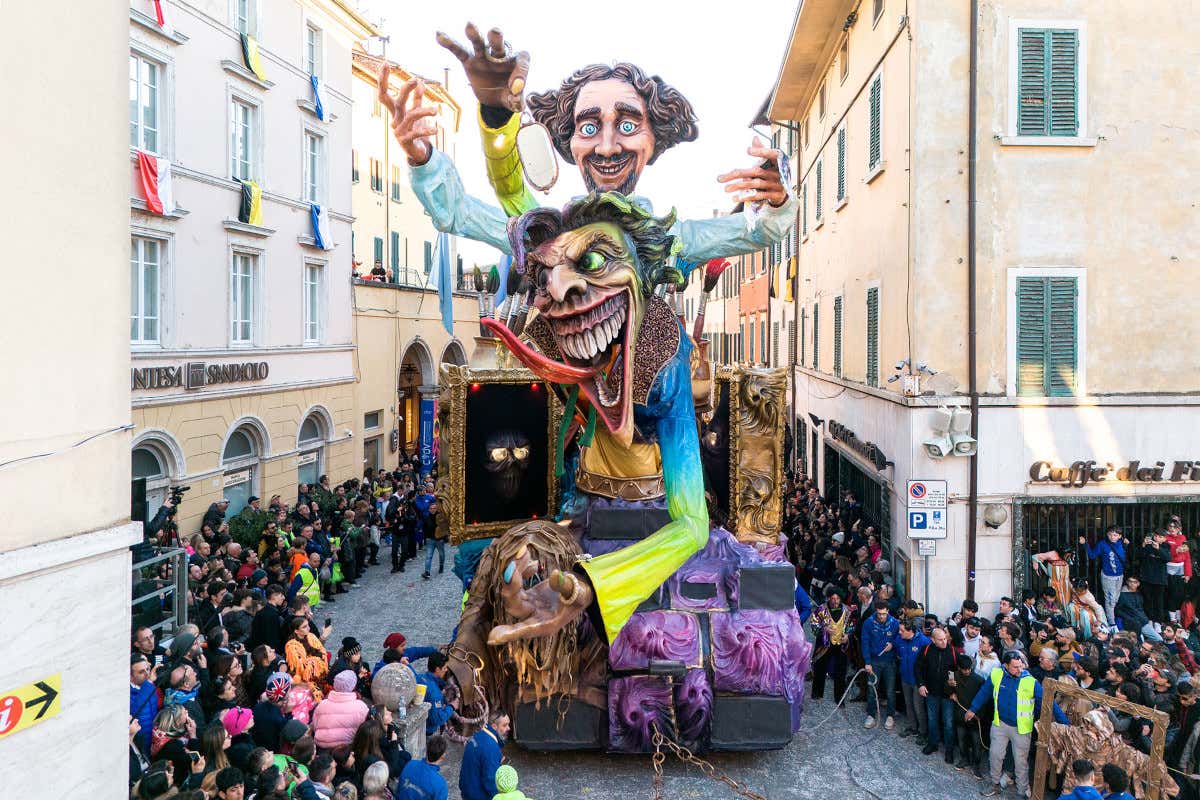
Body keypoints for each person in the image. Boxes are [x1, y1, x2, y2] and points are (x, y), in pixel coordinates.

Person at [967, 651, 1069, 798]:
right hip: (999, 724)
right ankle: (994, 784)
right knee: (995, 756)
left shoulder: (1031, 682)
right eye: (1015, 667)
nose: (1019, 670)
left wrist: (1065, 723)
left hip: (1021, 730)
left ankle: (1022, 792)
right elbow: (985, 691)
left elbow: (1049, 703)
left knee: (1021, 763)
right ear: (1006, 666)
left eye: (1021, 666)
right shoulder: (996, 674)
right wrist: (973, 708)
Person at [917, 626, 958, 763]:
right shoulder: (926, 650)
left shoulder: (952, 652)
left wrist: (955, 689)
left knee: (948, 723)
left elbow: (958, 672)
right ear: (933, 640)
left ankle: (949, 750)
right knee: (932, 720)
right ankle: (933, 744)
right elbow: (918, 668)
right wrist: (921, 684)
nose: (944, 642)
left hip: (947, 695)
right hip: (931, 692)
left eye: (945, 639)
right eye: (940, 640)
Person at [860, 598, 899, 730]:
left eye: (884, 613)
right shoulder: (868, 623)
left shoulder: (895, 623)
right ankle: (871, 715)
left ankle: (890, 715)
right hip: (874, 661)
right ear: (876, 611)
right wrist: (867, 662)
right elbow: (864, 643)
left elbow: (899, 638)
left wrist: (893, 644)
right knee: (871, 689)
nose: (881, 616)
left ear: (887, 611)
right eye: (879, 613)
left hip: (890, 662)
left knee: (890, 690)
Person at [810, 587, 854, 703]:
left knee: (841, 672)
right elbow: (814, 624)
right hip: (825, 644)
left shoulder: (847, 611)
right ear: (829, 598)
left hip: (841, 646)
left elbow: (851, 626)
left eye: (837, 598)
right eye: (833, 598)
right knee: (820, 668)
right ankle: (817, 693)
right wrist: (824, 629)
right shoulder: (821, 609)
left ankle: (840, 698)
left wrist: (847, 636)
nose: (835, 601)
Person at [312, 671, 370, 751]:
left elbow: (315, 726)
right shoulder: (361, 707)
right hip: (346, 749)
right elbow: (364, 732)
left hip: (322, 746)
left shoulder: (322, 704)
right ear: (353, 686)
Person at [1083, 527, 1129, 626]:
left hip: (1119, 575)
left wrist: (1127, 545)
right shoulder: (1103, 544)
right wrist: (1085, 544)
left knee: (1115, 599)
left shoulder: (1122, 544)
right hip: (1108, 576)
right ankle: (1111, 622)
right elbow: (1092, 555)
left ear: (1120, 536)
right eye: (1110, 534)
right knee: (1110, 600)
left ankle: (1111, 617)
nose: (1112, 537)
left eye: (1115, 535)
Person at [460, 711, 509, 800]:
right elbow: (491, 780)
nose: (508, 728)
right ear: (494, 726)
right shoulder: (491, 747)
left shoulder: (478, 735)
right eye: (505, 725)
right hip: (478, 795)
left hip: (467, 790)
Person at [897, 619, 931, 743]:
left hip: (918, 680)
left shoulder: (923, 641)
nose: (899, 633)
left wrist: (924, 681)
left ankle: (923, 732)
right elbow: (895, 647)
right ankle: (913, 727)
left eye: (902, 630)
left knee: (919, 707)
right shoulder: (900, 639)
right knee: (908, 704)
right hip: (905, 677)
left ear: (910, 631)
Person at [397, 733, 449, 800]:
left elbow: (399, 789)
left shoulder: (410, 764)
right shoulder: (441, 784)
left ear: (427, 749)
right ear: (443, 756)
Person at [417, 652, 455, 736]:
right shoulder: (436, 694)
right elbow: (438, 719)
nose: (446, 670)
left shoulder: (419, 677)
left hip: (419, 725)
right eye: (444, 668)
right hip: (426, 732)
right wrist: (452, 706)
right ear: (437, 669)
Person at [285, 616, 330, 685]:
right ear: (296, 631)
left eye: (308, 625)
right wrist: (315, 661)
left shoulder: (311, 636)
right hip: (304, 677)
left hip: (319, 670)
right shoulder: (291, 646)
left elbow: (321, 650)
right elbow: (299, 666)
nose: (308, 628)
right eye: (304, 627)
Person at [1141, 529, 1172, 626]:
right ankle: (1150, 619)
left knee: (1159, 601)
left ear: (1164, 539)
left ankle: (1158, 622)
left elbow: (1167, 558)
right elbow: (1140, 556)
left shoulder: (1166, 546)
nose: (1157, 538)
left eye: (1160, 537)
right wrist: (1143, 545)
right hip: (1147, 577)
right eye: (1156, 536)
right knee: (1148, 600)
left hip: (1160, 579)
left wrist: (1158, 549)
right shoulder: (1148, 545)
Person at [131, 653, 161, 754]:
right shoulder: (127, 693)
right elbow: (136, 710)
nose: (147, 674)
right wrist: (148, 684)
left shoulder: (149, 686)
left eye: (148, 669)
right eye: (141, 672)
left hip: (152, 740)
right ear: (131, 676)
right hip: (140, 743)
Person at [250, 585, 289, 653]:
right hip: (268, 654)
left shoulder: (262, 612)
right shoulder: (271, 614)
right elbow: (272, 639)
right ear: (274, 596)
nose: (284, 598)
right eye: (281, 595)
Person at [421, 501, 446, 580]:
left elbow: (444, 528)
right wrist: (426, 538)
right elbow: (424, 528)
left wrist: (443, 538)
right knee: (428, 556)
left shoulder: (440, 517)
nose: (433, 510)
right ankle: (427, 572)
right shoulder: (426, 518)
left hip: (439, 540)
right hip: (430, 540)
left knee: (441, 555)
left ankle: (441, 565)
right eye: (431, 508)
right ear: (429, 509)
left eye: (434, 508)